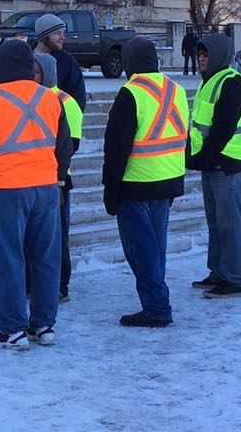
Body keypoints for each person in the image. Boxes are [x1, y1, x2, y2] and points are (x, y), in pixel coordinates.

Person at [0, 40, 72, 350]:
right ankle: (44, 325)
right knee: (45, 258)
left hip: (7, 192)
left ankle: (12, 330)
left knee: (9, 259)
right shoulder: (51, 99)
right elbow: (64, 147)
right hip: (46, 190)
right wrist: (59, 182)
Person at [102, 37, 188, 327]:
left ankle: (156, 307)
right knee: (156, 247)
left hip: (136, 183)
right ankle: (157, 300)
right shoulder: (175, 89)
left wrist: (110, 189)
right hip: (167, 178)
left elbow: (116, 148)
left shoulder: (131, 93)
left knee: (141, 249)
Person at [187, 33, 241, 298]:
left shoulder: (231, 82)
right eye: (199, 54)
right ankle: (219, 271)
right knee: (215, 222)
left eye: (205, 54)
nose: (200, 59)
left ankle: (235, 277)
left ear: (218, 56)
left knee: (230, 223)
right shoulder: (209, 81)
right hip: (212, 164)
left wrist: (206, 157)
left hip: (227, 164)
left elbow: (223, 128)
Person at [32, 53, 83, 302]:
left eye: (38, 72)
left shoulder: (65, 101)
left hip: (58, 180)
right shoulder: (29, 98)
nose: (33, 76)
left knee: (57, 237)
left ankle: (60, 283)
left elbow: (71, 145)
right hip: (32, 178)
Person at [33, 14, 86, 111]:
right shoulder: (26, 58)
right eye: (57, 33)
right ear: (44, 36)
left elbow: (78, 97)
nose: (63, 37)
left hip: (58, 120)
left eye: (63, 32)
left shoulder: (67, 62)